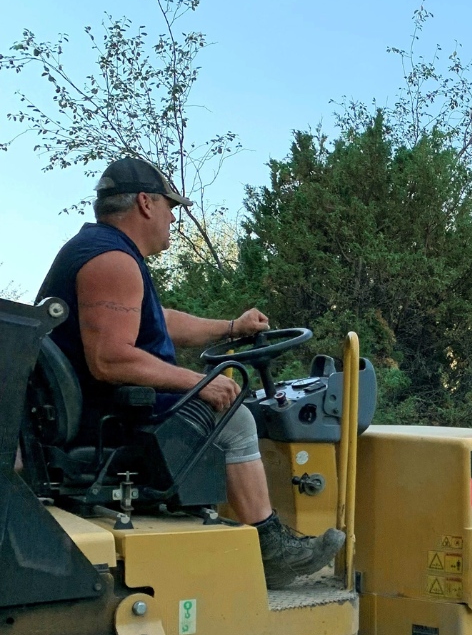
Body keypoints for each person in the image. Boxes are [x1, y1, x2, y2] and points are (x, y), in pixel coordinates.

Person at [36, 156, 344, 589]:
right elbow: (109, 359)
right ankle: (270, 547)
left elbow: (159, 320)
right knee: (235, 415)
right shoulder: (112, 261)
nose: (172, 218)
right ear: (146, 203)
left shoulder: (103, 252)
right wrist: (198, 383)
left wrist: (233, 328)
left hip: (102, 409)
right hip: (111, 418)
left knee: (227, 402)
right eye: (170, 206)